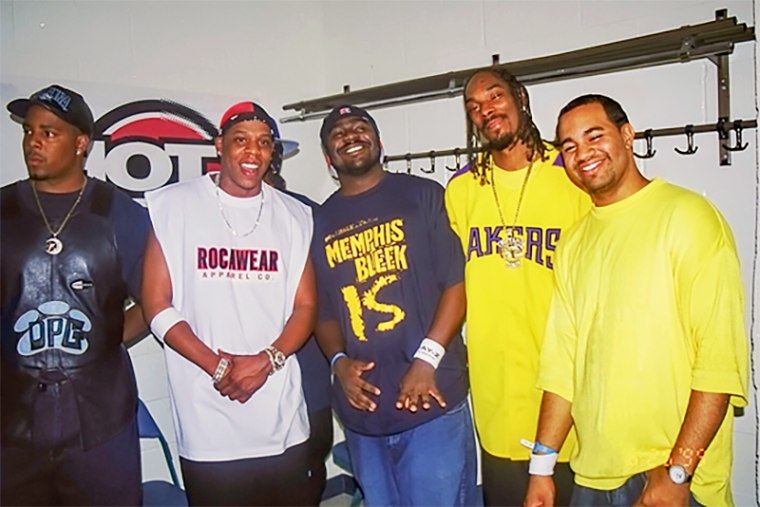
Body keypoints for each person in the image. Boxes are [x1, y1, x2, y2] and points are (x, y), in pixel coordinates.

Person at [524, 94, 749, 507]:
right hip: (592, 475)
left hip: (673, 479)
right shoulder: (573, 242)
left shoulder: (691, 217)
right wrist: (542, 468)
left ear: (627, 136)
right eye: (569, 146)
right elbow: (562, 366)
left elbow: (720, 363)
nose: (582, 153)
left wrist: (678, 472)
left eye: (595, 136)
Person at [141, 101, 318, 506]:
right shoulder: (173, 205)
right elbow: (156, 305)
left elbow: (305, 306)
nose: (252, 152)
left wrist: (266, 361)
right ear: (219, 146)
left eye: (263, 143)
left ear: (273, 152)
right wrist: (218, 366)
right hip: (208, 417)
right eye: (241, 141)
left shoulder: (295, 214)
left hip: (281, 416)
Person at [312, 105, 477, 506]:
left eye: (360, 127)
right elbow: (323, 312)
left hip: (432, 403)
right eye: (339, 132)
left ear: (379, 143)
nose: (350, 134)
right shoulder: (318, 221)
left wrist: (426, 360)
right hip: (363, 416)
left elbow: (457, 284)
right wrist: (338, 364)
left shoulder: (422, 195)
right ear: (329, 158)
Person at [444, 67, 590, 506]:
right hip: (497, 404)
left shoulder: (572, 176)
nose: (485, 110)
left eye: (494, 97)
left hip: (567, 401)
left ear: (520, 97)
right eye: (474, 107)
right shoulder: (461, 189)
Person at [1, 84, 149, 505]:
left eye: (49, 133)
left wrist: (104, 341)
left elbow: (155, 303)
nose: (34, 142)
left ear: (81, 143)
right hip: (12, 420)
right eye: (29, 132)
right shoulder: (3, 209)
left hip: (99, 421)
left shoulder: (120, 212)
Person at [264, 160, 333, 502]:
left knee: (310, 463)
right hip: (248, 373)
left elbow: (333, 288)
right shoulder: (215, 215)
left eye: (268, 151)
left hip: (309, 369)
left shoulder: (307, 213)